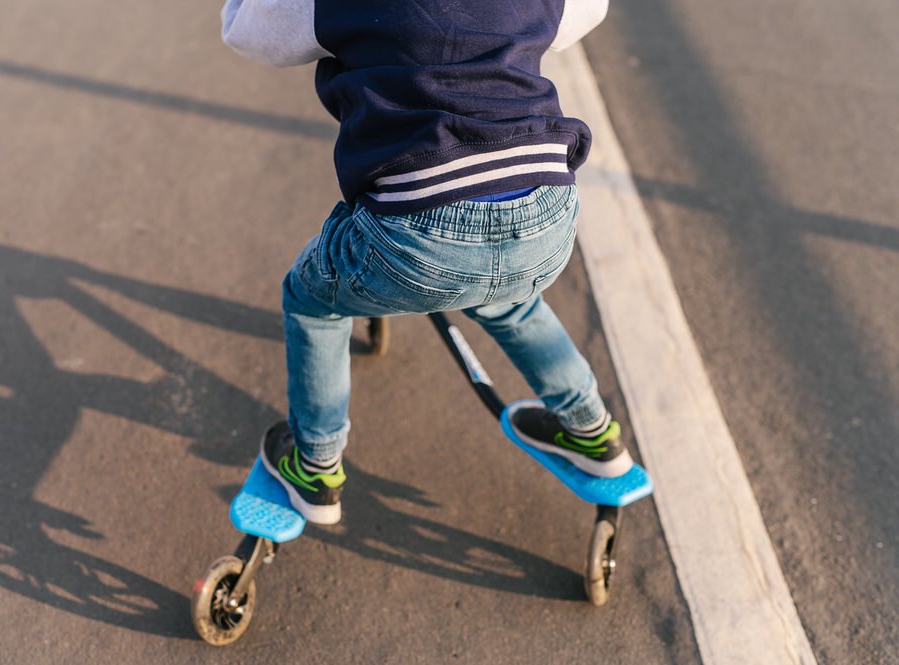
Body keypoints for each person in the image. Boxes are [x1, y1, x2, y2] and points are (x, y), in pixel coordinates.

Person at [221, 0, 632, 525]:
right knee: (511, 301)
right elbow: (587, 10)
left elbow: (248, 31)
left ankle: (316, 464)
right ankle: (591, 430)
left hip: (416, 232)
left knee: (313, 300)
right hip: (545, 214)